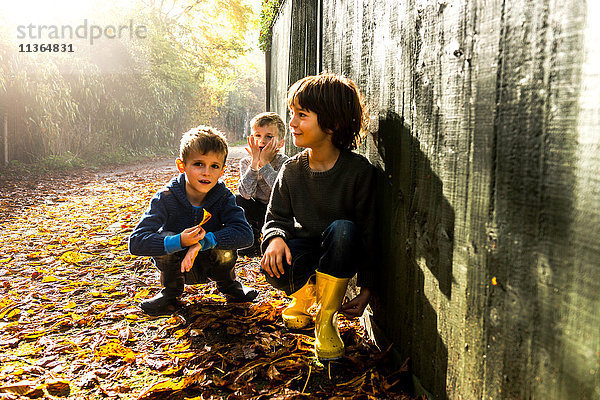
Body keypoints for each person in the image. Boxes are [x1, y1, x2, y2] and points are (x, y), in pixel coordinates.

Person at [260, 73, 376, 360]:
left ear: (332, 123)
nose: (293, 123)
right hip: (305, 249)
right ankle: (303, 298)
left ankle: (326, 320)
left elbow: (371, 235)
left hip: (338, 253)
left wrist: (368, 289)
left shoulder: (358, 173)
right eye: (292, 114)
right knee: (276, 256)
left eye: (302, 115)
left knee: (344, 229)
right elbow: (275, 216)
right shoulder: (291, 170)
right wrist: (274, 238)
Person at [129, 126, 258, 317]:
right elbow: (136, 242)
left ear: (222, 170)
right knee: (164, 236)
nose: (206, 172)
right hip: (178, 264)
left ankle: (229, 285)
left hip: (212, 262)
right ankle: (170, 291)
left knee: (225, 239)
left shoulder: (223, 197)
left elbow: (246, 235)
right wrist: (179, 241)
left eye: (214, 166)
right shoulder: (165, 197)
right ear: (182, 166)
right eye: (198, 164)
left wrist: (204, 241)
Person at [236, 112, 288, 256]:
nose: (262, 141)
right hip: (257, 208)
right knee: (237, 198)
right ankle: (250, 241)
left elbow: (280, 191)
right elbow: (246, 193)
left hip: (278, 211)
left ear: (281, 143)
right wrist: (254, 164)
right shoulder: (246, 162)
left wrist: (264, 164)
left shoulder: (284, 162)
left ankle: (272, 238)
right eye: (257, 135)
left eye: (269, 137)